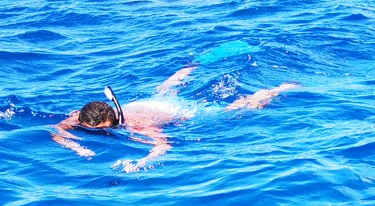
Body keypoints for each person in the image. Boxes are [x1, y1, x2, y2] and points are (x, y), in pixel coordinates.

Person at [51, 66, 299, 172]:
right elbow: (58, 129)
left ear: (113, 120)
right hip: (149, 102)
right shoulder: (83, 116)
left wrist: (143, 161)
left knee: (234, 110)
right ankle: (189, 67)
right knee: (165, 89)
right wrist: (75, 146)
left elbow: (163, 145)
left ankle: (279, 88)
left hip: (180, 111)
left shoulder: (139, 126)